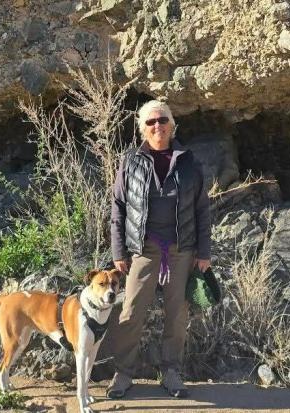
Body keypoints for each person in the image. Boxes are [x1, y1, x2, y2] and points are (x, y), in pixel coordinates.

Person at [107, 99, 211, 399]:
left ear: (172, 125)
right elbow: (118, 208)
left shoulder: (189, 162)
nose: (157, 126)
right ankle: (123, 373)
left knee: (177, 314)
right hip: (143, 249)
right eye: (151, 122)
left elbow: (202, 209)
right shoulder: (131, 161)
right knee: (130, 312)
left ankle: (171, 372)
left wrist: (204, 252)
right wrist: (118, 251)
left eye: (162, 120)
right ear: (142, 128)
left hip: (182, 250)